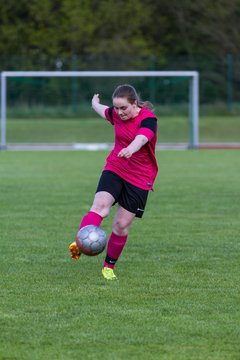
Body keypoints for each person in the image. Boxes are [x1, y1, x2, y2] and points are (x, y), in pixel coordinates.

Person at [69, 84, 158, 280]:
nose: (119, 112)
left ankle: (108, 267)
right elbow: (104, 111)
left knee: (121, 225)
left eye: (123, 108)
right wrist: (94, 104)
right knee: (100, 207)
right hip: (116, 167)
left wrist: (131, 149)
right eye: (116, 108)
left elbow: (142, 139)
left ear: (134, 104)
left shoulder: (148, 119)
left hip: (140, 177)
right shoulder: (117, 114)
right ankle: (80, 242)